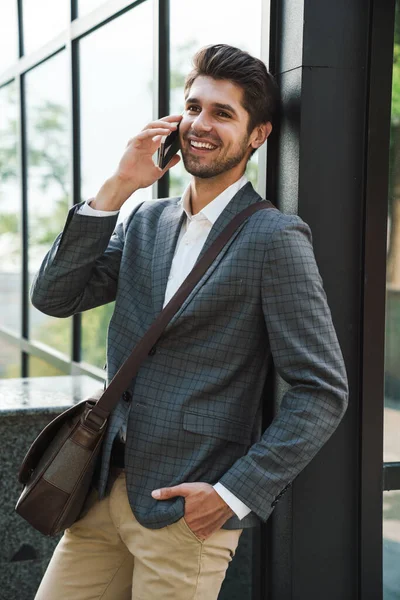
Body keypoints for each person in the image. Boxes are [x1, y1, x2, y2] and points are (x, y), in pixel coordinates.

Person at [32, 44, 348, 600]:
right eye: (193, 108)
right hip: (99, 488)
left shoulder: (274, 239)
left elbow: (321, 390)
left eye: (223, 114)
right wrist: (118, 187)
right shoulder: (147, 220)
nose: (202, 124)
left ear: (258, 135)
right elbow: (54, 296)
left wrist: (231, 495)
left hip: (184, 513)